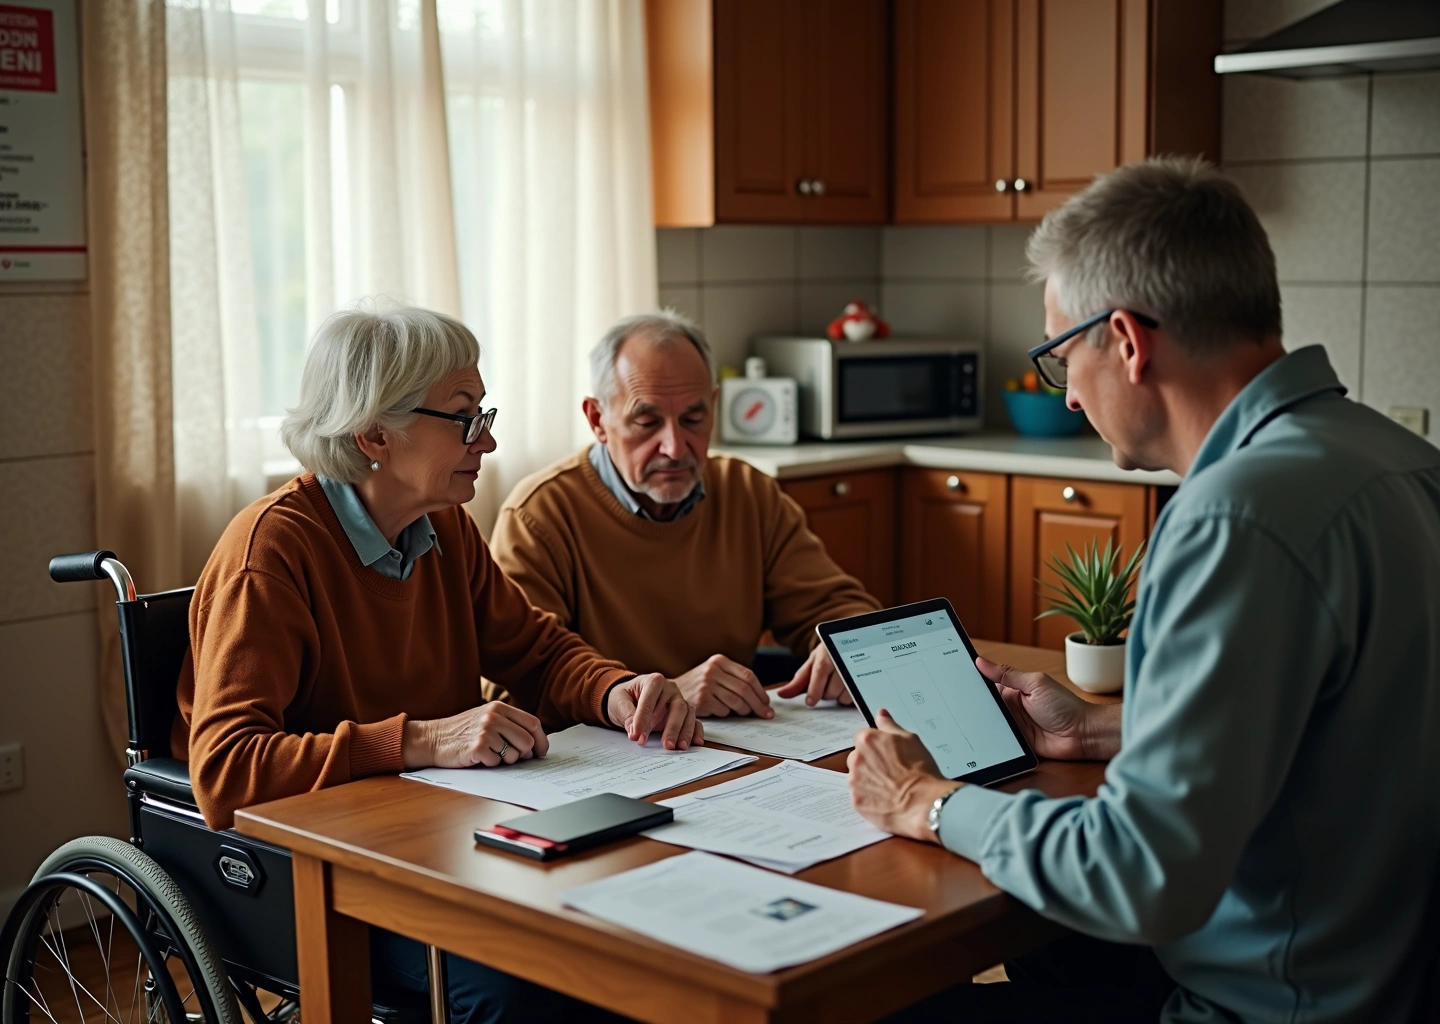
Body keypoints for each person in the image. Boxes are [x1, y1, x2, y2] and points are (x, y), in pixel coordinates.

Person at [847, 157, 1440, 1023]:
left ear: (1126, 340)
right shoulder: (1398, 461)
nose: (1073, 398)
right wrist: (1106, 730)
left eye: (1059, 355)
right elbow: (1347, 730)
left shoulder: (1231, 518)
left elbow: (1137, 877)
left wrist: (927, 803)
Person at [175, 303, 700, 1024]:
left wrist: (616, 690)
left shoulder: (444, 527)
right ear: (373, 435)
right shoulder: (271, 553)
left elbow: (538, 652)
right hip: (327, 878)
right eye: (464, 417)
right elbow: (226, 773)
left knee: (625, 931)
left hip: (438, 847)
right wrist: (420, 739)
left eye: (483, 412)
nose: (487, 439)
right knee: (531, 987)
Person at [489, 311, 882, 719]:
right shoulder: (539, 515)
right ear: (597, 420)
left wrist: (845, 646)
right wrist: (664, 696)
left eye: (693, 419)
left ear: (714, 406)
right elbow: (512, 687)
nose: (675, 448)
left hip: (736, 749)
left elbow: (836, 605)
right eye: (647, 422)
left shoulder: (747, 492)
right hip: (612, 762)